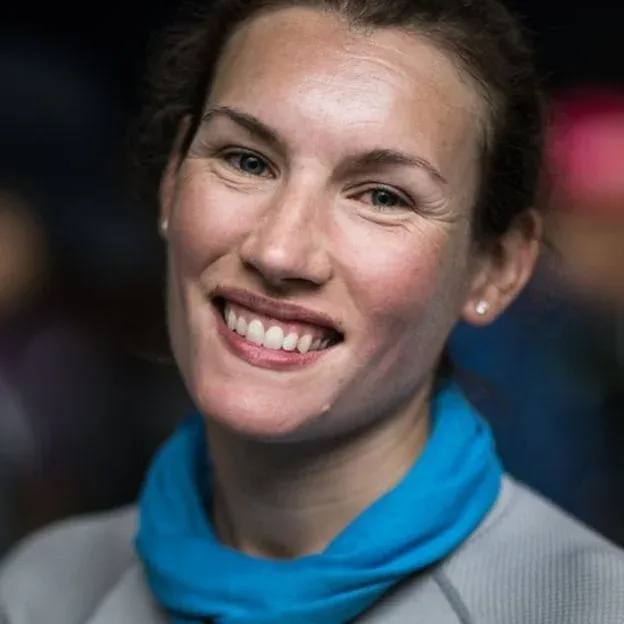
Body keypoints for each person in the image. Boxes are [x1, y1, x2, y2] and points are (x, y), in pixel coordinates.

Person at [1, 0, 623, 622]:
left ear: (496, 267)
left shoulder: (585, 607)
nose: (279, 251)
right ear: (172, 183)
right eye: (246, 160)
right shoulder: (41, 589)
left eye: (382, 196)